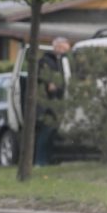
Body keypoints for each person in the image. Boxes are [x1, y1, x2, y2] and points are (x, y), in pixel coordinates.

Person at [34, 36, 69, 166]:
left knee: (52, 132)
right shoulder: (46, 62)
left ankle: (48, 159)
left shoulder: (60, 62)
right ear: (57, 47)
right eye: (63, 49)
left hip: (56, 102)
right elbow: (49, 84)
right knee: (46, 131)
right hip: (47, 104)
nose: (65, 52)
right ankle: (40, 160)